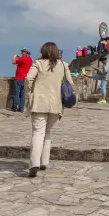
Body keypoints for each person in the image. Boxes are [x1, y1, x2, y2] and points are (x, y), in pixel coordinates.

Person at [25, 42, 74, 177]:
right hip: (56, 104)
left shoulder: (38, 63)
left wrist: (29, 94)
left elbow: (28, 79)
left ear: (43, 51)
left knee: (38, 133)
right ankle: (44, 162)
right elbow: (70, 83)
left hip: (40, 103)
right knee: (47, 132)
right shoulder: (63, 65)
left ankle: (34, 163)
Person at [11, 48, 33, 112]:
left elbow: (13, 62)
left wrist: (14, 56)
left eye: (23, 52)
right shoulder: (30, 59)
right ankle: (21, 108)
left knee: (16, 93)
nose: (22, 53)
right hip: (25, 78)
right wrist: (19, 57)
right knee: (22, 94)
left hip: (19, 78)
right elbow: (23, 62)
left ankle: (14, 107)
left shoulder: (23, 58)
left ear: (26, 53)